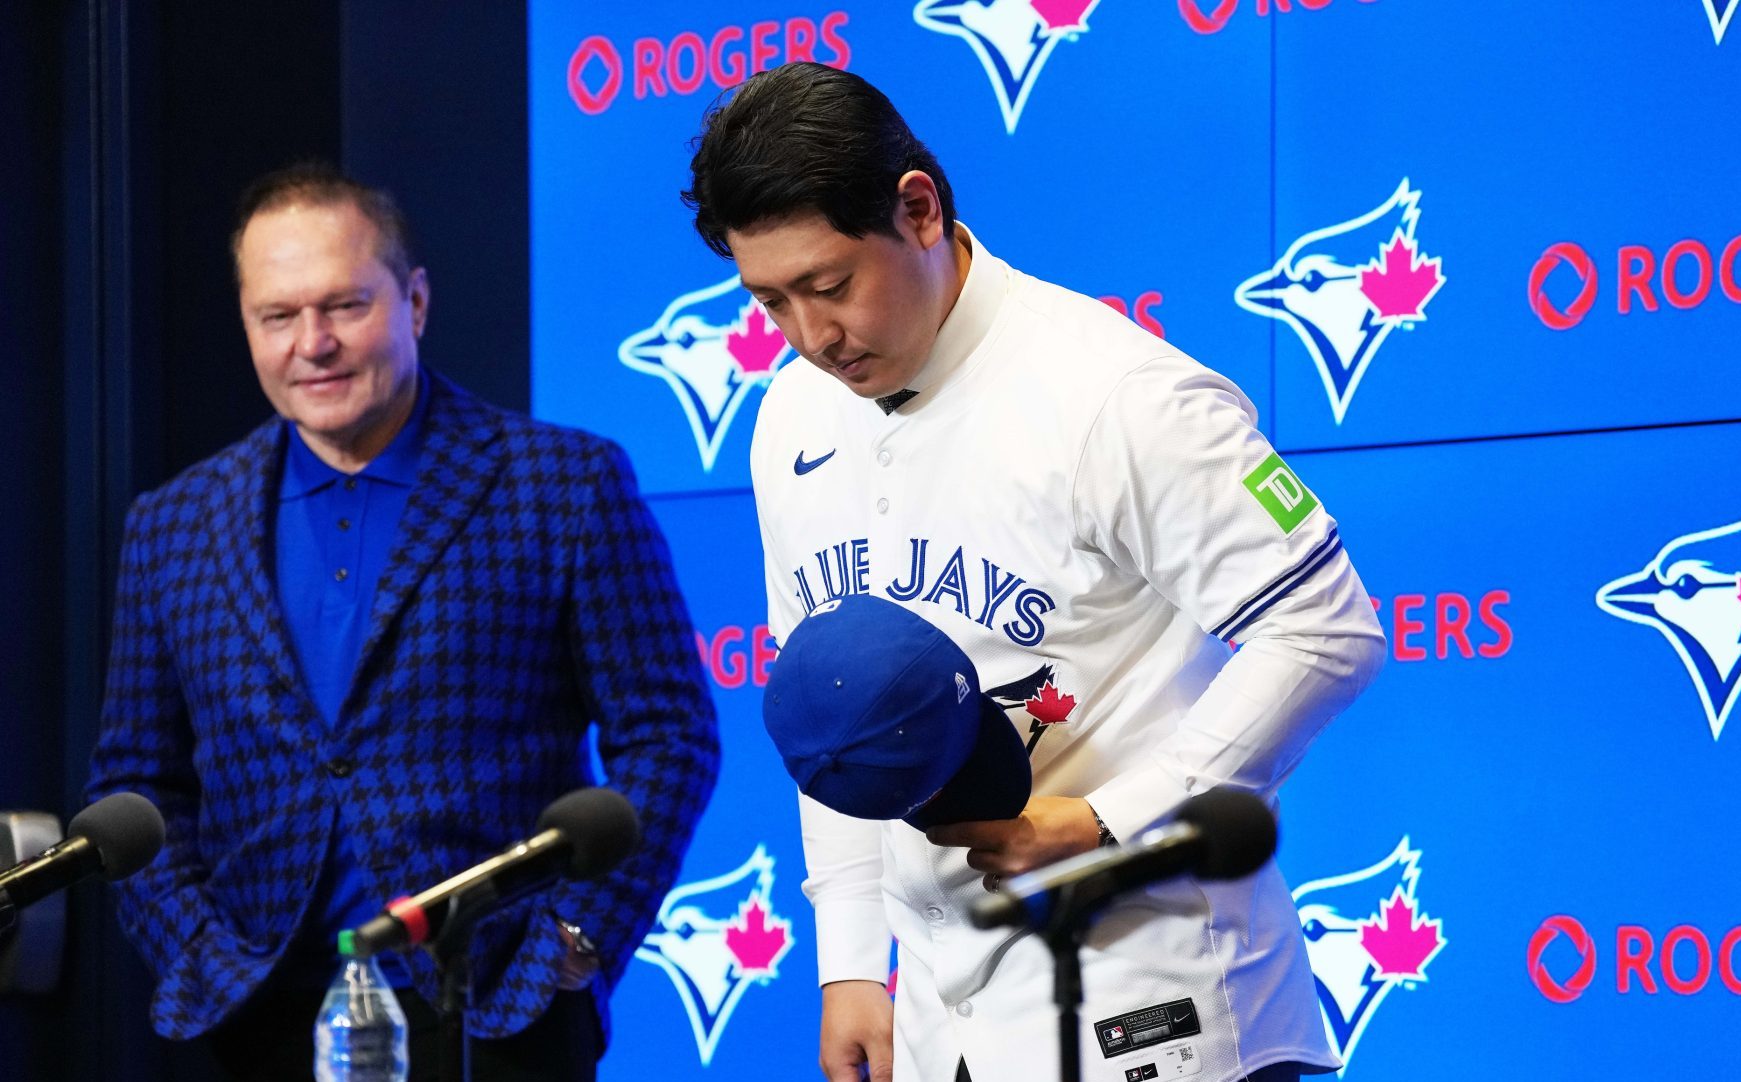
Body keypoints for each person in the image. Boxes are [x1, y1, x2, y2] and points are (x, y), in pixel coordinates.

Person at [684, 64, 1387, 1082]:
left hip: (1151, 987)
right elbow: (829, 713)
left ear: (919, 209)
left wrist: (1110, 816)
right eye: (771, 300)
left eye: (832, 286)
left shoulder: (1120, 395)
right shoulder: (790, 416)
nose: (810, 336)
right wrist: (849, 962)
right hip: (937, 1012)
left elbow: (1326, 629)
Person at [84, 163, 720, 1082]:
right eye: (278, 315)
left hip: (498, 1010)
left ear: (414, 301)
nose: (315, 343)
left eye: (344, 305)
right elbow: (135, 783)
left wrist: (578, 939)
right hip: (259, 1020)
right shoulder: (173, 522)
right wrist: (198, 955)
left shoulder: (565, 483)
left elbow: (670, 738)